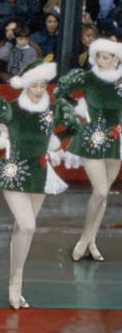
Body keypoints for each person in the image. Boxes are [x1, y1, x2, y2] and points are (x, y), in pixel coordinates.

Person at [0, 60, 68, 309]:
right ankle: (15, 281)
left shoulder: (51, 110)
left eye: (42, 85)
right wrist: (0, 136)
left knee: (21, 229)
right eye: (33, 85)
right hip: (13, 171)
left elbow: (74, 127)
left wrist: (56, 139)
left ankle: (17, 278)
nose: (38, 90)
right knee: (27, 226)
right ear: (24, 85)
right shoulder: (10, 108)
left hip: (40, 172)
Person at [57, 36, 122, 263]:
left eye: (106, 57)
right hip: (91, 138)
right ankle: (84, 239)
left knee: (104, 195)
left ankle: (92, 241)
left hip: (116, 139)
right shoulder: (88, 78)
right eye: (99, 57)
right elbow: (61, 91)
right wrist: (74, 110)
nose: (102, 61)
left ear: (117, 59)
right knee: (101, 191)